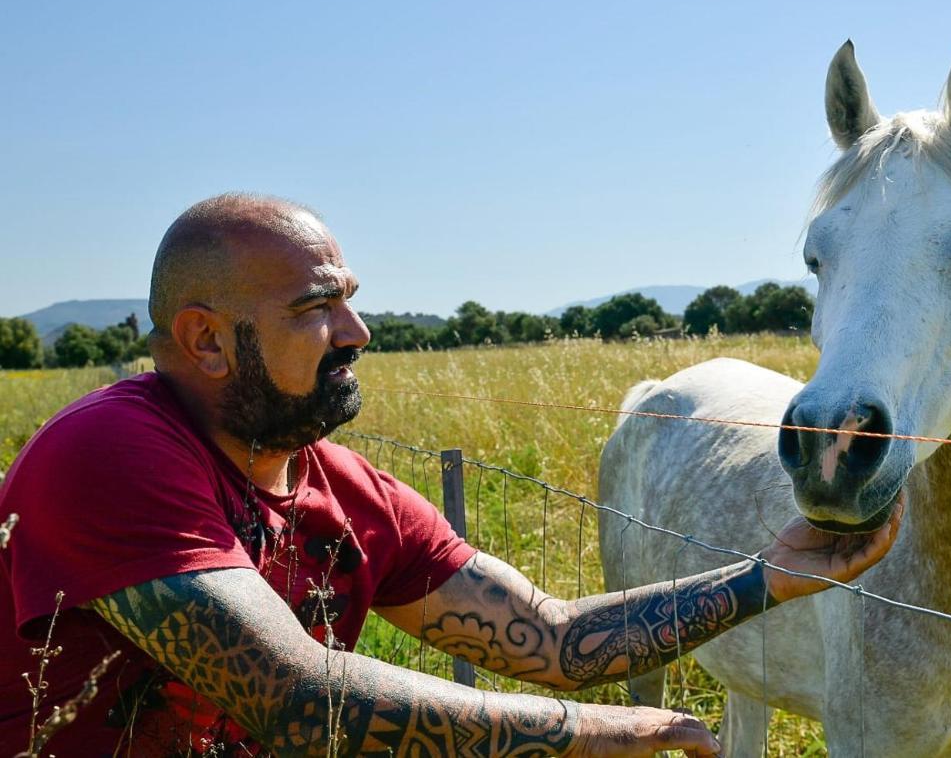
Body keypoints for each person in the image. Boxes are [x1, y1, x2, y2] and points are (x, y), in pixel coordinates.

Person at [0, 194, 903, 758]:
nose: (357, 333)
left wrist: (773, 577)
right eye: (319, 307)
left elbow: (551, 640)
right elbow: (304, 702)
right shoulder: (112, 453)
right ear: (203, 338)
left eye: (350, 300)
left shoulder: (342, 490)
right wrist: (596, 734)